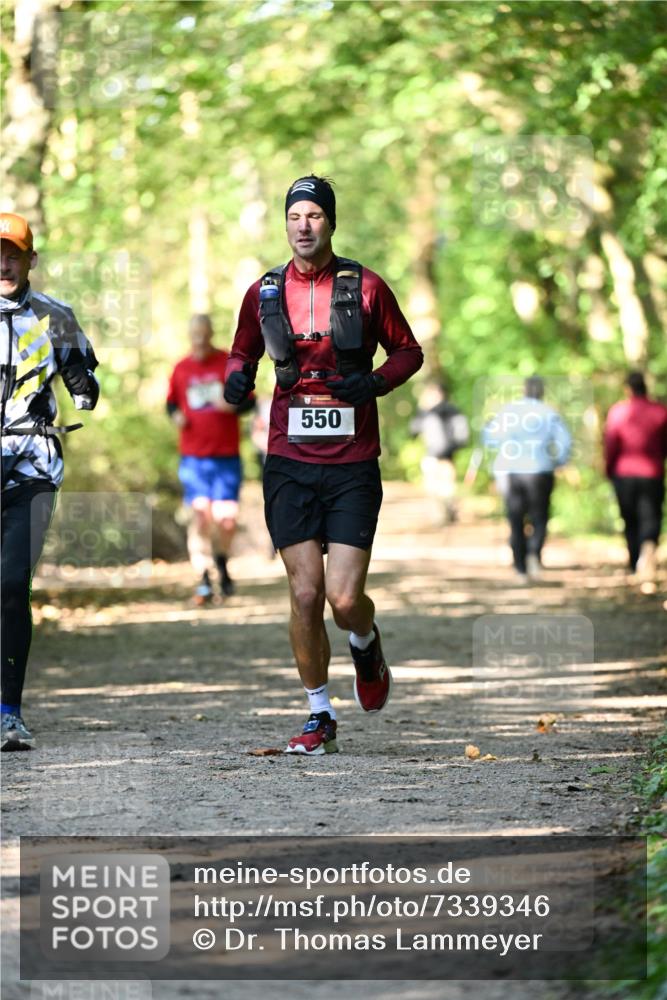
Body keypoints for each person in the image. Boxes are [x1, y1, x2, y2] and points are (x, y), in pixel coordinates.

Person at [224, 175, 423, 755]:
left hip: (352, 463)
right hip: (289, 460)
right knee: (306, 594)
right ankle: (319, 714)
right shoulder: (263, 293)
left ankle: (365, 641)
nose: (303, 226)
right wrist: (237, 378)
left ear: (330, 223)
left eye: (314, 215)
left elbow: (408, 351)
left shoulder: (366, 286)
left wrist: (374, 383)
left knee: (343, 600)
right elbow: (242, 352)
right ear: (285, 225)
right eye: (295, 217)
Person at [1, 211, 99, 750]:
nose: (3, 264)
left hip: (33, 466)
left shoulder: (54, 316)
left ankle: (8, 715)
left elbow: (88, 390)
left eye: (13, 255)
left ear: (30, 259)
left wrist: (81, 380)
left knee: (11, 584)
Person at [167, 314, 254, 605]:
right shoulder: (181, 368)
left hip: (226, 455)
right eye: (195, 335)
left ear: (211, 333)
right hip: (194, 457)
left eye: (204, 334)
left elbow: (250, 401)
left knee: (226, 518)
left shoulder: (227, 363)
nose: (200, 340)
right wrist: (176, 416)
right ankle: (203, 576)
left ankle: (222, 562)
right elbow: (170, 403)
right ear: (189, 336)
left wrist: (233, 406)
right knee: (200, 515)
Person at [483, 375, 571, 582]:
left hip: (510, 471)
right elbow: (564, 442)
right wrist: (558, 461)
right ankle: (533, 554)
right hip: (540, 470)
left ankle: (520, 569)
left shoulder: (508, 411)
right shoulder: (549, 412)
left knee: (515, 518)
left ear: (524, 390)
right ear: (542, 391)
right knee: (539, 517)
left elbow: (491, 438)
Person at [604, 371, 667, 580]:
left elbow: (611, 445)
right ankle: (647, 552)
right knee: (652, 516)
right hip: (652, 472)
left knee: (630, 518)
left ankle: (635, 563)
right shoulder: (660, 411)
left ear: (628, 389)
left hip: (624, 474)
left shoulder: (618, 412)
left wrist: (608, 469)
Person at [411, 382, 469, 524]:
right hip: (434, 455)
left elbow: (413, 431)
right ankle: (443, 517)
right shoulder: (430, 412)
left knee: (444, 489)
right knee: (437, 489)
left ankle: (445, 517)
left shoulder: (446, 411)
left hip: (445, 457)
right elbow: (414, 430)